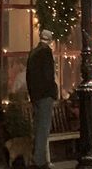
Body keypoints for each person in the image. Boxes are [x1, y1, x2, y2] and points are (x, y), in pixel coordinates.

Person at [26, 28, 58, 169]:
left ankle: (39, 157)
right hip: (45, 95)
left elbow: (29, 76)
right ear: (50, 40)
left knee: (38, 125)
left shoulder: (33, 53)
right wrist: (53, 92)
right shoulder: (46, 52)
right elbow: (48, 75)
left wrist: (32, 94)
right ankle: (39, 160)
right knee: (43, 127)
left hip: (35, 95)